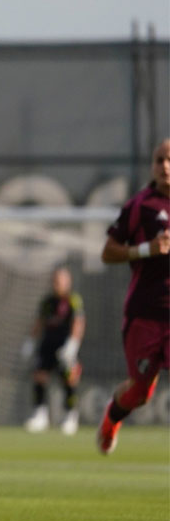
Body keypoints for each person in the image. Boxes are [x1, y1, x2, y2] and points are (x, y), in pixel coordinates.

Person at [96, 139, 170, 455]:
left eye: (169, 159)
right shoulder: (140, 206)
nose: (165, 166)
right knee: (140, 393)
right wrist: (146, 249)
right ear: (151, 166)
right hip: (145, 314)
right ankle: (112, 418)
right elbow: (108, 252)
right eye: (159, 160)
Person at [20, 266, 85, 435]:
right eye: (55, 280)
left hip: (65, 347)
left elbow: (78, 323)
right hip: (47, 344)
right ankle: (40, 415)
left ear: (67, 282)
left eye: (60, 280)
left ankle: (71, 416)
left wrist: (72, 345)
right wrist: (30, 342)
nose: (57, 284)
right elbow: (39, 323)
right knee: (39, 376)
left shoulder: (73, 300)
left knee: (69, 379)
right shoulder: (47, 302)